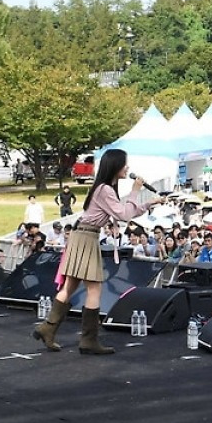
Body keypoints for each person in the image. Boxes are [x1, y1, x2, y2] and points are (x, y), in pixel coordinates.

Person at [33, 149, 161, 355]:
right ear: (115, 165)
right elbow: (124, 215)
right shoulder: (105, 190)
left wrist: (147, 204)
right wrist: (136, 191)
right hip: (86, 237)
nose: (128, 168)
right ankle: (88, 340)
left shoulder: (103, 188)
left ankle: (48, 327)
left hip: (81, 235)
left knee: (69, 286)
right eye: (125, 164)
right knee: (94, 289)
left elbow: (124, 211)